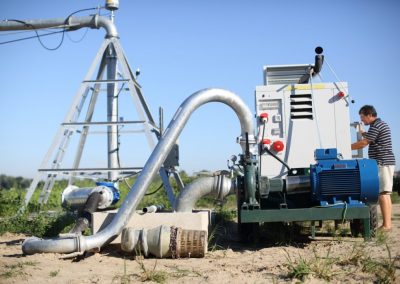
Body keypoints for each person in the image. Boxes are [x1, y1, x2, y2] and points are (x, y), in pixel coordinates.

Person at [351, 105, 396, 231]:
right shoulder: (377, 125)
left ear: (370, 115)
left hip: (383, 162)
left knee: (383, 193)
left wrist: (346, 146)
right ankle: (387, 224)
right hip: (383, 162)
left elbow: (365, 143)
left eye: (363, 117)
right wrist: (363, 132)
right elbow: (371, 138)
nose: (362, 120)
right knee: (384, 193)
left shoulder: (377, 125)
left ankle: (387, 225)